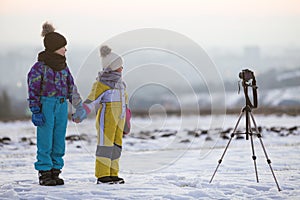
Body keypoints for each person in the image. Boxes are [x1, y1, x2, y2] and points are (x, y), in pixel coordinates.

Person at [27, 22, 85, 186]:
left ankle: (55, 171)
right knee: (45, 139)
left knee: (59, 139)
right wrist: (35, 110)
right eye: (63, 47)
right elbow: (33, 89)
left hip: (61, 106)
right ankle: (45, 172)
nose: (65, 50)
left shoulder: (64, 68)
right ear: (54, 48)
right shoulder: (39, 68)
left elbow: (71, 88)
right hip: (46, 106)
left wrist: (78, 106)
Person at [73, 45, 128, 184]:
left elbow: (125, 103)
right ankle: (103, 175)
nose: (122, 68)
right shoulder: (102, 84)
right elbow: (92, 100)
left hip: (119, 121)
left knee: (116, 147)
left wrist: (127, 120)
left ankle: (113, 173)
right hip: (107, 120)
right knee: (105, 147)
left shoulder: (121, 84)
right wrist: (81, 112)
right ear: (112, 67)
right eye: (119, 66)